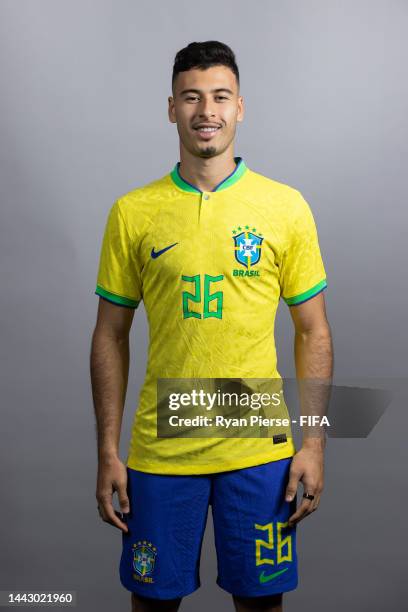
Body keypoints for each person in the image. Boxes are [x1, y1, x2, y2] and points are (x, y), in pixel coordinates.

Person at [90, 40, 333, 612]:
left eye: (220, 96)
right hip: (161, 452)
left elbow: (313, 333)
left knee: (259, 605)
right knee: (152, 603)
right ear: (170, 108)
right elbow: (110, 335)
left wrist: (315, 443)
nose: (207, 111)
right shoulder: (133, 212)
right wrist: (106, 450)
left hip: (259, 450)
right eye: (191, 97)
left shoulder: (285, 206)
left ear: (240, 107)